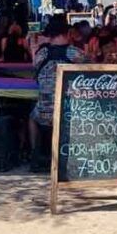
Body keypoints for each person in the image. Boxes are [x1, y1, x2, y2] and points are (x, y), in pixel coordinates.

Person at [29, 23, 85, 170]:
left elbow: (35, 70)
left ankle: (36, 153)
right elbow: (93, 68)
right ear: (66, 34)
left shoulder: (41, 54)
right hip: (69, 113)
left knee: (32, 117)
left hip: (44, 112)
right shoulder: (75, 53)